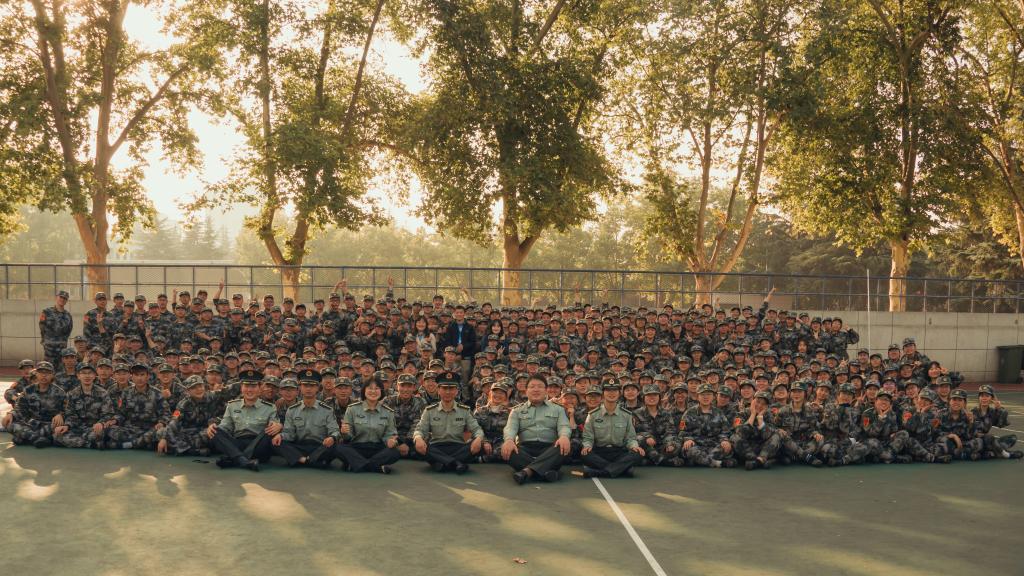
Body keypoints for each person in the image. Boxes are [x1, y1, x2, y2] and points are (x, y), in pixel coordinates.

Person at [501, 374, 572, 484]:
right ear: (526, 391)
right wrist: (509, 440)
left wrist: (564, 436)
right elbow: (510, 428)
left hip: (549, 449)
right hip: (525, 449)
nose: (536, 389)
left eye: (540, 386)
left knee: (562, 447)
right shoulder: (517, 411)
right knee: (507, 449)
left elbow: (564, 426)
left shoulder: (558, 409)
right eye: (532, 386)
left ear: (546, 390)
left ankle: (527, 471)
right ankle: (548, 472)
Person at [413, 371, 484, 474]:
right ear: (438, 390)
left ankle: (440, 463)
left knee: (480, 446)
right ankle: (456, 463)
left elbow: (477, 429)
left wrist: (478, 438)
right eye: (444, 388)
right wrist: (418, 438)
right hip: (437, 447)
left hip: (458, 447)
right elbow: (419, 429)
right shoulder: (429, 410)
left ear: (456, 391)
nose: (447, 392)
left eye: (451, 388)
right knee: (417, 446)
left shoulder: (464, 410)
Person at [207, 370, 280, 471]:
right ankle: (243, 461)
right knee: (214, 431)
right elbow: (225, 426)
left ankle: (234, 459)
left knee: (269, 431)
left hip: (259, 445)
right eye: (246, 386)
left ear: (260, 388)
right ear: (241, 387)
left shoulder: (270, 408)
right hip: (238, 443)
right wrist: (215, 428)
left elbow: (272, 429)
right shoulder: (232, 405)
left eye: (253, 386)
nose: (249, 390)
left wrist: (278, 425)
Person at [273, 369, 340, 468]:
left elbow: (335, 431)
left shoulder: (327, 410)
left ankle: (299, 459)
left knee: (335, 446)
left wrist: (332, 437)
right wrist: (281, 436)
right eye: (305, 385)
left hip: (320, 446)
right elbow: (289, 433)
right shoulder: (292, 410)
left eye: (312, 386)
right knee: (277, 442)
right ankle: (309, 461)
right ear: (300, 387)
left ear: (318, 388)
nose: (308, 389)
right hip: (299, 446)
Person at [580, 380, 644, 478]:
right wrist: (587, 446)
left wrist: (634, 446)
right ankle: (621, 470)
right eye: (608, 390)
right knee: (585, 454)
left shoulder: (626, 415)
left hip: (618, 452)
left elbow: (630, 438)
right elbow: (588, 438)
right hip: (599, 452)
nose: (611, 393)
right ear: (603, 393)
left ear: (619, 393)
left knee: (638, 454)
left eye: (614, 390)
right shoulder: (593, 415)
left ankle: (599, 472)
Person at [335, 380, 401, 473]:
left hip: (378, 449)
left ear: (381, 392)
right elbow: (348, 437)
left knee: (395, 452)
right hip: (357, 448)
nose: (373, 391)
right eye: (370, 388)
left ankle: (357, 465)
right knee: (339, 448)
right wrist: (344, 433)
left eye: (376, 388)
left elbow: (390, 434)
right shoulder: (352, 409)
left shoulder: (388, 412)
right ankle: (376, 467)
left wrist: (391, 441)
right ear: (364, 391)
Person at [54, 363, 115, 449]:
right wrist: (67, 426)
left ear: (94, 376)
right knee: (57, 435)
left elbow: (107, 414)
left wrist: (101, 423)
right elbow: (71, 415)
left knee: (106, 432)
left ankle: (82, 442)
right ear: (78, 376)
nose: (87, 376)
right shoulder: (72, 394)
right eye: (83, 373)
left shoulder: (103, 393)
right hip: (78, 428)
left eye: (90, 373)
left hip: (95, 428)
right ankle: (90, 444)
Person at [9, 361, 66, 447]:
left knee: (58, 427)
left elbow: (68, 409)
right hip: (32, 424)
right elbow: (19, 407)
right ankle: (37, 438)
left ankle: (26, 437)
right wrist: (11, 414)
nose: (44, 375)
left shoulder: (59, 392)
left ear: (52, 375)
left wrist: (61, 414)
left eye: (47, 373)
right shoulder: (28, 390)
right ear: (36, 374)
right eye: (41, 372)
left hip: (49, 424)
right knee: (10, 424)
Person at [159, 375, 220, 456]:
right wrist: (164, 438)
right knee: (161, 432)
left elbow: (223, 413)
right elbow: (174, 421)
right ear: (188, 391)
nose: (199, 389)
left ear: (204, 387)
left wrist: (213, 422)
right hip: (189, 433)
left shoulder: (213, 396)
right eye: (194, 388)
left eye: (200, 386)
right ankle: (194, 451)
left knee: (214, 433)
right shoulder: (183, 404)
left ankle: (182, 450)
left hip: (207, 431)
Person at [680, 383, 736, 468]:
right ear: (698, 396)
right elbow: (683, 431)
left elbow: (725, 431)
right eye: (703, 394)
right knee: (690, 450)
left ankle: (700, 461)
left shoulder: (719, 413)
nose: (705, 397)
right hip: (696, 445)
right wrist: (688, 439)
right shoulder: (689, 413)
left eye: (709, 394)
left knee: (727, 448)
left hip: (714, 445)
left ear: (713, 397)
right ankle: (719, 463)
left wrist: (724, 440)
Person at [39, 290, 73, 367]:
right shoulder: (47, 312)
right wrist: (45, 340)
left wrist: (63, 341)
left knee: (61, 368)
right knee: (47, 368)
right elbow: (42, 327)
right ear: (56, 297)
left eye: (65, 298)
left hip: (61, 348)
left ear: (66, 301)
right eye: (61, 297)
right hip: (49, 348)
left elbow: (69, 330)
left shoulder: (68, 315)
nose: (62, 299)